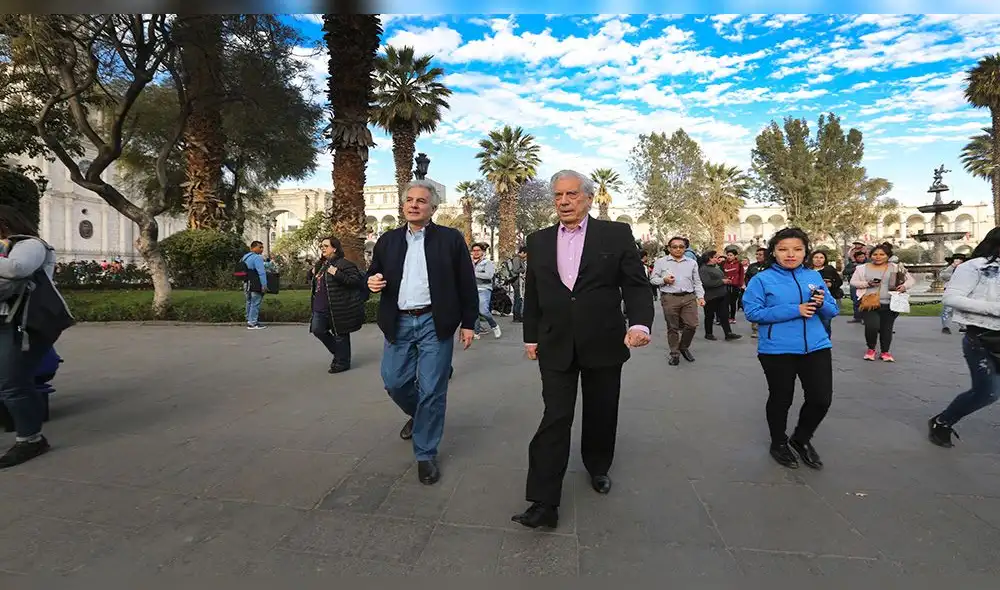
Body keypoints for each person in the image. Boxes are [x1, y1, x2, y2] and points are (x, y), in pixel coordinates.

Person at [511, 170, 653, 530]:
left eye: (572, 194)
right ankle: (544, 501)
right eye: (558, 195)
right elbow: (534, 292)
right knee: (555, 417)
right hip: (555, 342)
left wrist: (639, 324)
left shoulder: (615, 234)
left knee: (601, 411)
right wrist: (531, 337)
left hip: (604, 340)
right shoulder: (539, 240)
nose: (564, 201)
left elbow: (636, 285)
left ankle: (598, 465)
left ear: (588, 198)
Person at [366, 180, 478, 485]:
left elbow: (466, 282)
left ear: (433, 208)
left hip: (434, 322)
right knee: (394, 381)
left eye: (421, 201)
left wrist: (469, 323)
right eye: (410, 200)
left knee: (432, 390)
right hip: (398, 322)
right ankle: (421, 415)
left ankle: (425, 453)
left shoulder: (450, 239)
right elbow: (374, 272)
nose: (414, 205)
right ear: (403, 205)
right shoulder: (388, 240)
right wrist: (371, 281)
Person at [743, 228, 839, 470]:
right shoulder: (761, 280)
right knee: (781, 398)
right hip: (777, 350)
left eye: (797, 249)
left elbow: (833, 309)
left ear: (805, 252)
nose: (790, 254)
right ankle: (778, 442)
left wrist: (821, 304)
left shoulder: (813, 276)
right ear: (773, 252)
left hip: (816, 346)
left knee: (821, 399)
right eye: (783, 249)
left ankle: (801, 438)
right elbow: (753, 312)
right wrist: (795, 309)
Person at [0, 205, 73, 468]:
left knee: (13, 383)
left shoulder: (30, 245)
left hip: (23, 324)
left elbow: (17, 269)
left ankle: (31, 439)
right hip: (6, 320)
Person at [928, 228, 1000, 448]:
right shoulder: (975, 267)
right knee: (988, 392)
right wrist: (994, 308)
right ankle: (942, 421)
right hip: (983, 337)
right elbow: (951, 298)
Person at [309, 236, 364, 373]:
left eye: (326, 246)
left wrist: (337, 274)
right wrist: (311, 273)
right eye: (321, 246)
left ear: (334, 248)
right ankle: (341, 355)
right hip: (320, 306)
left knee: (340, 335)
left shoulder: (344, 264)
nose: (323, 248)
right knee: (317, 330)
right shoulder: (322, 264)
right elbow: (314, 281)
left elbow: (355, 281)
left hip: (338, 306)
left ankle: (342, 362)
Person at [850, 243, 914, 362]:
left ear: (888, 256)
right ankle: (871, 349)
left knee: (887, 329)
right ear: (870, 255)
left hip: (890, 303)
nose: (878, 257)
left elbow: (910, 280)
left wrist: (904, 286)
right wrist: (867, 284)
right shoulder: (862, 268)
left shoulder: (896, 267)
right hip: (869, 303)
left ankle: (885, 352)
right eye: (875, 254)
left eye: (882, 254)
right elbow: (853, 282)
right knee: (872, 326)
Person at [649, 236, 705, 366]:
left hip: (689, 297)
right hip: (670, 298)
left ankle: (683, 347)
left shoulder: (692, 263)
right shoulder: (661, 262)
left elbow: (697, 282)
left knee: (692, 325)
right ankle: (674, 354)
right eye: (674, 247)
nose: (678, 249)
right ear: (669, 248)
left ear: (685, 248)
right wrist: (664, 280)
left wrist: (701, 297)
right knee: (672, 327)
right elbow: (653, 280)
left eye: (681, 247)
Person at [699, 251, 741, 341]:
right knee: (709, 315)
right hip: (711, 296)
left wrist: (726, 279)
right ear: (709, 258)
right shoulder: (703, 269)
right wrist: (722, 281)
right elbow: (706, 283)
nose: (717, 259)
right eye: (715, 257)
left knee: (724, 315)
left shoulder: (716, 267)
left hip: (722, 294)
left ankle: (728, 333)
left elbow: (720, 276)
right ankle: (709, 333)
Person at [808, 251, 844, 337]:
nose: (818, 260)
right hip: (809, 298)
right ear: (811, 259)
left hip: (826, 299)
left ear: (825, 259)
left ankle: (826, 341)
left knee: (825, 323)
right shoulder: (807, 270)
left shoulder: (829, 269)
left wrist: (830, 284)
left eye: (821, 258)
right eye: (816, 257)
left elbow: (839, 282)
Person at [471, 242, 502, 339]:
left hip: (484, 289)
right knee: (474, 311)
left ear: (482, 252)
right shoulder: (469, 262)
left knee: (483, 310)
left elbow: (489, 275)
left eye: (478, 250)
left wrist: (473, 273)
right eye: (474, 251)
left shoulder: (487, 262)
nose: (476, 252)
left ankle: (494, 326)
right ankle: (476, 332)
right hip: (472, 289)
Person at [240, 241, 268, 330]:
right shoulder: (257, 258)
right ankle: (252, 323)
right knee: (255, 302)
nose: (262, 249)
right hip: (255, 283)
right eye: (260, 247)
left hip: (246, 282)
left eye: (262, 247)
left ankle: (249, 319)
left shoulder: (245, 257)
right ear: (253, 248)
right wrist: (264, 284)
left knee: (249, 301)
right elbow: (261, 272)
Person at [939, 253, 968, 334]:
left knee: (962, 309)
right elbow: (943, 276)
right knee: (947, 309)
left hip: (963, 292)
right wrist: (952, 266)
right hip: (950, 291)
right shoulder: (948, 269)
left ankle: (963, 327)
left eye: (960, 260)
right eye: (956, 259)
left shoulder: (967, 269)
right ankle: (945, 327)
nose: (958, 261)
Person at [744, 247, 768, 338]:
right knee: (756, 310)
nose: (758, 256)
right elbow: (747, 277)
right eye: (757, 254)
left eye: (760, 255)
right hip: (755, 292)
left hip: (767, 292)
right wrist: (749, 287)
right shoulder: (752, 266)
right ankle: (755, 330)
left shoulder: (771, 266)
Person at [842, 249, 868, 324]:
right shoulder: (851, 264)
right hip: (854, 285)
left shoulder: (868, 264)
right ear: (856, 258)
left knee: (864, 301)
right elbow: (845, 272)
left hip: (864, 284)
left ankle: (865, 318)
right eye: (859, 257)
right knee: (855, 301)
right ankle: (857, 317)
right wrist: (855, 269)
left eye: (862, 257)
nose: (861, 258)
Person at [722, 247, 745, 324]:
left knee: (733, 302)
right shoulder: (724, 263)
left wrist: (740, 284)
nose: (729, 257)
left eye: (731, 255)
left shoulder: (739, 264)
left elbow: (741, 275)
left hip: (735, 286)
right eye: (728, 255)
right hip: (725, 285)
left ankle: (732, 317)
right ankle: (725, 317)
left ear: (735, 256)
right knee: (725, 302)